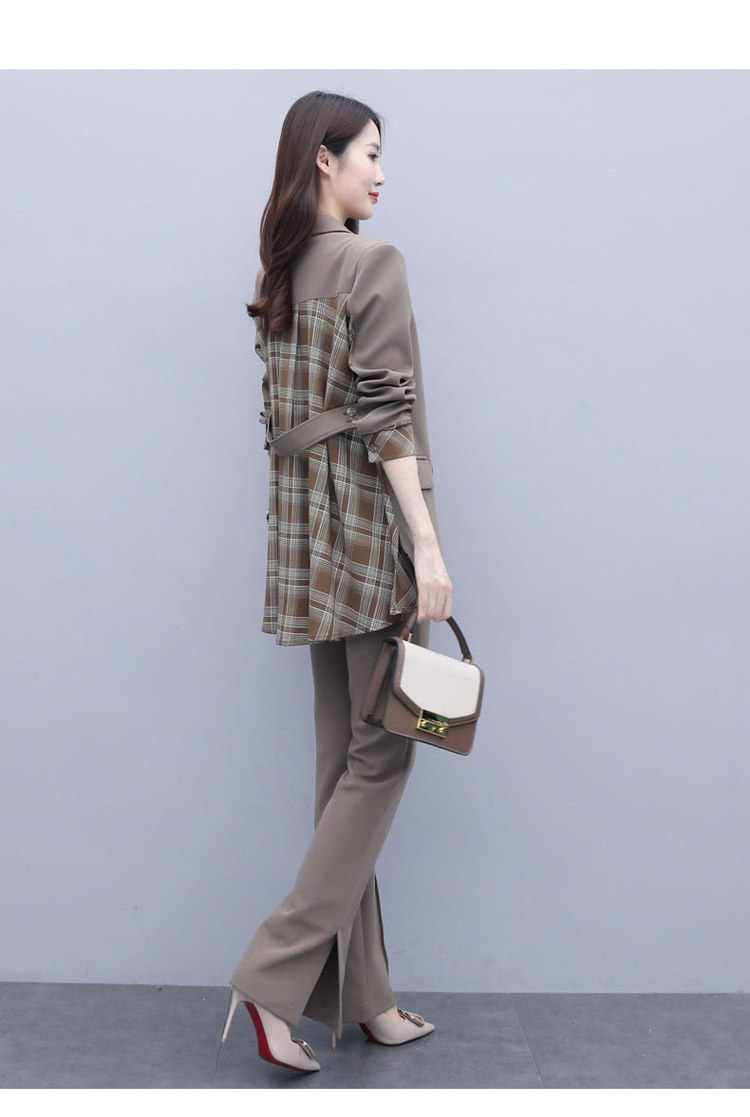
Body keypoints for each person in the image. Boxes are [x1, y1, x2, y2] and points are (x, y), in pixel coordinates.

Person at [218, 90, 453, 1075]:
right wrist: (427, 548)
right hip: (368, 533)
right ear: (325, 158)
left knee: (340, 765)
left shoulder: (279, 272)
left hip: (307, 541)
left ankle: (366, 998)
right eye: (370, 154)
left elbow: (293, 415)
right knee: (382, 756)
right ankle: (271, 977)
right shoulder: (371, 262)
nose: (381, 175)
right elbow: (389, 419)